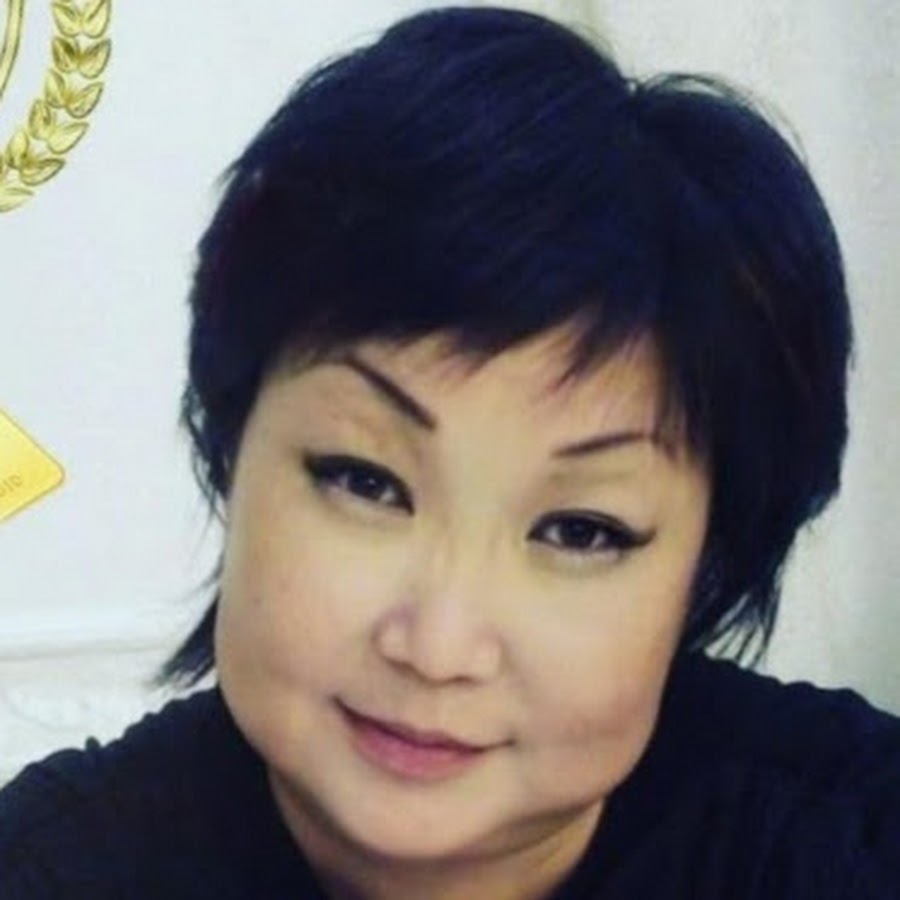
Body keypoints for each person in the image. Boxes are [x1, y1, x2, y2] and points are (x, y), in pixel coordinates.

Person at [1, 5, 898, 898]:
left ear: (707, 566)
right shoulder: (57, 867)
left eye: (580, 531)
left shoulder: (844, 838)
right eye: (366, 481)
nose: (438, 647)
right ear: (232, 450)